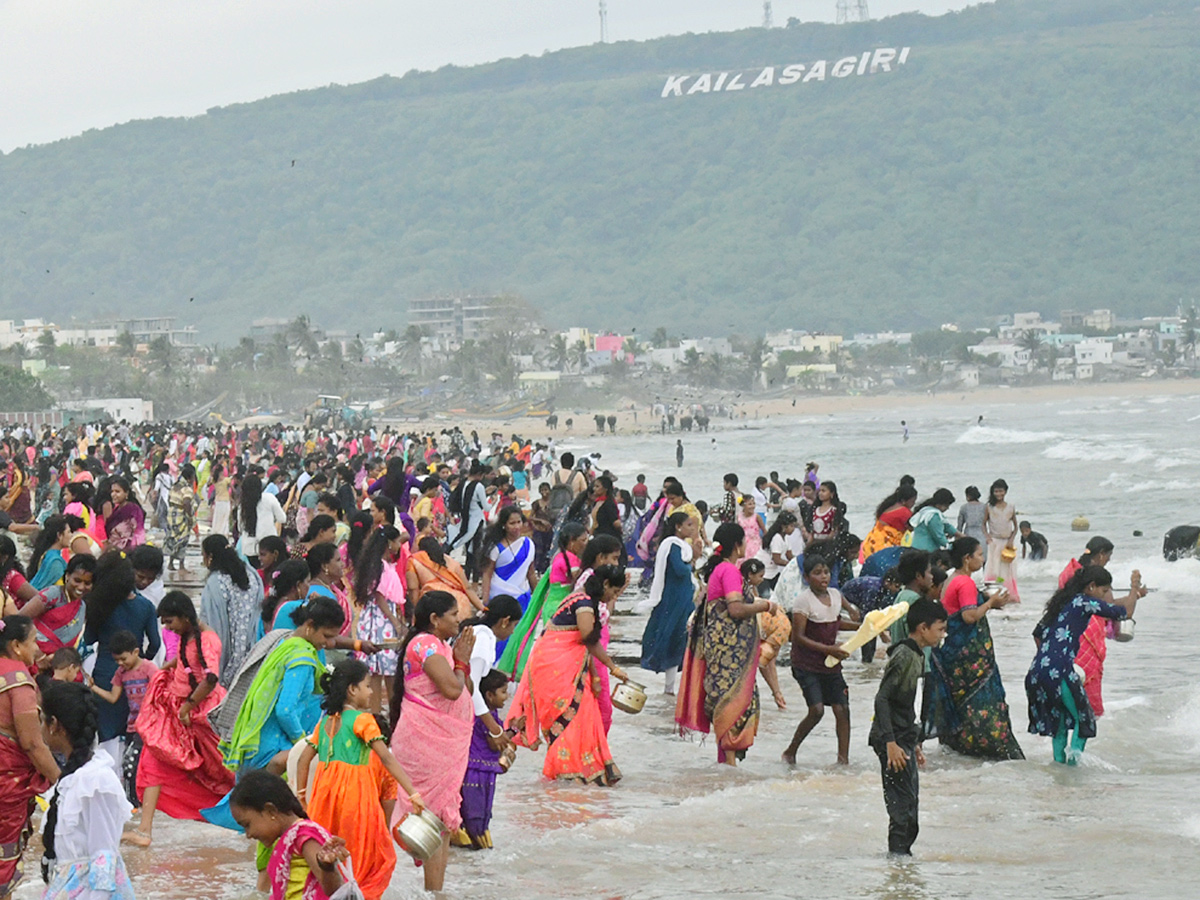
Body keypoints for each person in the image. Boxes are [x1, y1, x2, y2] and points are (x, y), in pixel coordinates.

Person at [296, 659, 423, 900]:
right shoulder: (363, 720)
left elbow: (304, 760)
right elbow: (386, 758)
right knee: (369, 855)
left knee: (331, 853)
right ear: (352, 690)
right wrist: (413, 792)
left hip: (323, 797)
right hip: (355, 796)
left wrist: (302, 797)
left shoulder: (324, 722)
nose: (372, 691)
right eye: (367, 686)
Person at [125, 591, 233, 847]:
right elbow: (185, 658)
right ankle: (144, 830)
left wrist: (187, 708)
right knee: (153, 760)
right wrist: (165, 669)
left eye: (169, 622)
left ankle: (236, 818)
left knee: (220, 773)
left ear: (185, 618)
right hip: (174, 712)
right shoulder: (189, 634)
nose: (167, 628)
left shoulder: (208, 640)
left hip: (197, 715)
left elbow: (210, 678)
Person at [389, 591, 476, 893]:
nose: (458, 619)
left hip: (442, 742)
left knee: (441, 818)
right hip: (425, 740)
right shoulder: (424, 644)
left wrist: (461, 661)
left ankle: (435, 892)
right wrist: (461, 661)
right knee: (429, 815)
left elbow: (466, 685)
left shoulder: (440, 646)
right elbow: (453, 689)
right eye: (453, 614)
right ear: (435, 619)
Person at [508, 567, 628, 783]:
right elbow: (589, 639)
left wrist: (596, 677)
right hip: (554, 667)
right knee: (566, 719)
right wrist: (613, 667)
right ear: (606, 584)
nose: (614, 597)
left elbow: (584, 645)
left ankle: (586, 772)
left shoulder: (586, 601)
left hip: (570, 667)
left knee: (586, 715)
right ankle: (565, 774)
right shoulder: (582, 604)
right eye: (615, 591)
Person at [677, 524, 774, 766]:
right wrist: (765, 606)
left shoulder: (720, 569)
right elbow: (736, 608)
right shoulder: (729, 570)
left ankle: (725, 765)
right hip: (729, 651)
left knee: (724, 697)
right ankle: (729, 765)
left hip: (723, 649)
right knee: (733, 700)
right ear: (737, 545)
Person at [922, 537, 1024, 760]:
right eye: (979, 554)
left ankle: (961, 747)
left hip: (952, 651)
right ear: (967, 559)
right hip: (967, 657)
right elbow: (969, 616)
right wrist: (990, 604)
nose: (983, 558)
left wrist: (985, 599)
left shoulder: (953, 579)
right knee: (981, 701)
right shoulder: (965, 582)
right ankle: (992, 748)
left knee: (961, 701)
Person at [1026, 566, 1139, 764]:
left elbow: (1037, 634)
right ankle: (1072, 768)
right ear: (1092, 587)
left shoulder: (1061, 603)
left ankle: (1059, 769)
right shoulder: (1083, 602)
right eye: (1104, 591)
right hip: (1060, 670)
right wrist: (1134, 587)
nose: (1105, 596)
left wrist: (1048, 657)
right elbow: (1125, 612)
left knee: (1059, 726)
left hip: (1037, 672)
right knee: (1085, 719)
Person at [39, 681, 136, 900]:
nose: (40, 727)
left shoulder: (95, 781)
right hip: (68, 888)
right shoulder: (74, 778)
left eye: (41, 719)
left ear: (54, 724)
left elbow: (104, 854)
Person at [868, 598, 948, 857]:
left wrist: (913, 743)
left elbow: (905, 704)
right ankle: (897, 868)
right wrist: (890, 743)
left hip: (903, 738)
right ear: (923, 628)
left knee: (910, 807)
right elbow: (882, 698)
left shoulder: (917, 654)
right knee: (902, 810)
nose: (942, 634)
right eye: (940, 629)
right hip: (891, 740)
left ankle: (902, 866)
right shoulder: (904, 655)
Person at [0, 615, 60, 898]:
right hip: (6, 782)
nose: (38, 648)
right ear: (16, 646)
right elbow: (33, 744)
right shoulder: (17, 680)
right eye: (34, 641)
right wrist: (61, 781)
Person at [83, 553, 161, 769]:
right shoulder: (145, 606)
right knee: (133, 728)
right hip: (137, 679)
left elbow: (89, 639)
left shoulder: (100, 606)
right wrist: (140, 664)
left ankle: (106, 773)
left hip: (105, 673)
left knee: (106, 731)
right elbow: (154, 643)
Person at [782, 554, 857, 766]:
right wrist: (828, 649)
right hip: (806, 664)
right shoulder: (802, 601)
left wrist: (864, 627)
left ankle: (843, 760)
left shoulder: (835, 595)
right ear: (806, 577)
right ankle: (791, 750)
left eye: (826, 572)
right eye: (817, 573)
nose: (823, 577)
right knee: (816, 711)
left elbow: (836, 622)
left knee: (842, 709)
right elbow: (798, 637)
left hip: (831, 664)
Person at [229, 770, 351, 900]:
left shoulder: (304, 836)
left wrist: (327, 867)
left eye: (247, 825)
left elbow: (335, 890)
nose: (249, 834)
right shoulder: (289, 838)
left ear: (271, 811)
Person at [497, 522, 588, 680]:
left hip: (554, 605)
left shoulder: (561, 556)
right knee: (557, 645)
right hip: (558, 606)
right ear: (572, 541)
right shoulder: (570, 559)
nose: (586, 544)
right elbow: (581, 580)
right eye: (584, 540)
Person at [88, 629, 157, 807]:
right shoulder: (121, 673)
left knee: (131, 763)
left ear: (135, 652)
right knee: (129, 766)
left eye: (123, 659)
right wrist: (93, 688)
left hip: (150, 725)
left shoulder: (149, 668)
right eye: (117, 660)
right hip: (132, 726)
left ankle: (135, 803)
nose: (120, 663)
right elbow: (113, 697)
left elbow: (161, 692)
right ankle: (134, 803)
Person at [453, 669, 512, 850]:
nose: (507, 696)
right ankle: (477, 845)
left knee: (479, 809)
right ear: (489, 695)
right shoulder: (485, 719)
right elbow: (495, 744)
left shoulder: (489, 716)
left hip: (481, 770)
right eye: (503, 692)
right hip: (476, 771)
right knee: (476, 811)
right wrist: (515, 730)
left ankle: (474, 846)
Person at [640, 512, 698, 694]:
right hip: (674, 599)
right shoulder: (672, 545)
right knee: (674, 636)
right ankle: (670, 687)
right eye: (689, 525)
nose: (692, 529)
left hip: (683, 597)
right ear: (678, 527)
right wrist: (693, 559)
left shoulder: (682, 547)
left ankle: (672, 687)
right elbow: (681, 570)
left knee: (681, 639)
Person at [353, 525, 408, 713]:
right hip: (382, 621)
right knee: (389, 670)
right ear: (389, 543)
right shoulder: (382, 567)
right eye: (396, 541)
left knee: (376, 673)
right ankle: (391, 715)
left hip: (374, 620)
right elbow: (380, 596)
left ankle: (376, 713)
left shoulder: (375, 564)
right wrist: (395, 622)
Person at [199, 534, 265, 687]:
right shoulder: (252, 575)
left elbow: (210, 621)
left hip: (226, 654)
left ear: (210, 557)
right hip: (250, 650)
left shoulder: (216, 581)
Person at [17, 553, 95, 660]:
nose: (81, 587)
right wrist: (40, 656)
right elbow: (18, 621)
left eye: (87, 583)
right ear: (67, 576)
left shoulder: (82, 607)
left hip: (58, 664)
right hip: (34, 659)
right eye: (77, 580)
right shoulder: (52, 595)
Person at [480, 506, 538, 628]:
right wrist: (485, 601)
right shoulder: (496, 548)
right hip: (500, 599)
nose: (517, 527)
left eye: (519, 522)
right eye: (512, 523)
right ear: (504, 525)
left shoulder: (528, 544)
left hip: (522, 597)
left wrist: (538, 595)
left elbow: (531, 573)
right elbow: (487, 574)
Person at [406, 536, 481, 625]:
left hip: (438, 610)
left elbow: (413, 589)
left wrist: (416, 615)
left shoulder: (414, 560)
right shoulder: (452, 561)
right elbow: (468, 588)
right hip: (461, 607)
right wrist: (482, 608)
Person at [748, 559, 790, 710]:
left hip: (758, 628)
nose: (762, 580)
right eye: (760, 576)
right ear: (750, 575)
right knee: (765, 660)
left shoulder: (747, 590)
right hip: (763, 627)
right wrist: (776, 691)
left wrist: (776, 691)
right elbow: (764, 663)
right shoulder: (783, 627)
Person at [238, 473, 287, 568]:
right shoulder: (269, 498)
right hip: (269, 547)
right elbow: (282, 518)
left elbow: (240, 528)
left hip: (250, 549)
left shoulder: (242, 506)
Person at [981, 478, 1019, 600]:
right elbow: (983, 525)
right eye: (996, 491)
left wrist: (1011, 539)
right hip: (994, 542)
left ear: (1005, 491)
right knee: (993, 568)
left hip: (1007, 543)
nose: (998, 494)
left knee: (1005, 569)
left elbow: (1016, 526)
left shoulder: (1011, 507)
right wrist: (987, 538)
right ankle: (993, 594)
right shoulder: (989, 507)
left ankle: (1006, 593)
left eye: (1001, 491)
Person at [860, 485, 917, 561]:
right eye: (912, 501)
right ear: (903, 501)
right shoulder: (904, 511)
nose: (914, 504)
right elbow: (913, 527)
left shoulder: (889, 505)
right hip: (885, 541)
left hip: (875, 538)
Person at [163, 464, 197, 574]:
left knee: (173, 538)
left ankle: (171, 563)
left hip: (171, 514)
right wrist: (190, 517)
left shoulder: (175, 486)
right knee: (183, 539)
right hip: (181, 516)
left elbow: (169, 499)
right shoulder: (186, 489)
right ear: (190, 477)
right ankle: (181, 566)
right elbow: (187, 503)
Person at [908, 488, 961, 552]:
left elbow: (947, 526)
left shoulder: (925, 510)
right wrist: (950, 547)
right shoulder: (934, 516)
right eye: (946, 506)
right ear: (939, 504)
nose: (947, 508)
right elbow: (938, 536)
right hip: (926, 551)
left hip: (915, 547)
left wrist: (959, 535)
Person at [27, 513, 71, 590]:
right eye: (69, 532)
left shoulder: (47, 554)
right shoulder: (55, 562)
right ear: (59, 535)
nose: (71, 535)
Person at [101, 477, 145, 553]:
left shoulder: (133, 510)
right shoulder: (117, 509)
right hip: (114, 551)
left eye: (117, 491)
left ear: (126, 493)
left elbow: (139, 534)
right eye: (112, 491)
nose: (113, 494)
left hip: (128, 552)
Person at [956, 486, 987, 558]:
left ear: (968, 496)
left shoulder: (964, 507)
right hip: (982, 535)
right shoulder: (984, 506)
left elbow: (959, 526)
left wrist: (956, 540)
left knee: (968, 558)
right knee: (983, 558)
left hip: (968, 535)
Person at [736, 495, 764, 560]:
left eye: (754, 503)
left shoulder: (756, 517)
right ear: (743, 505)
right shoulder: (739, 517)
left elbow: (764, 531)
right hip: (744, 545)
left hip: (756, 544)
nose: (752, 506)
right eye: (750, 504)